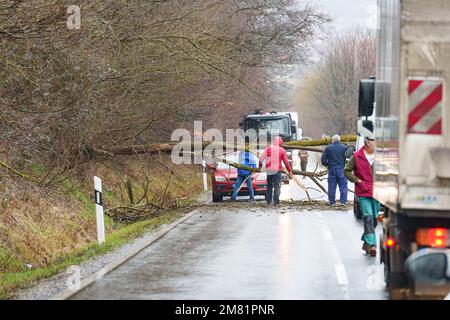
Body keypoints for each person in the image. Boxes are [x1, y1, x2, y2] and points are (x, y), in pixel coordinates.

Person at [345, 134, 380, 257]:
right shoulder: (357, 156)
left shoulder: (379, 156)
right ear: (368, 143)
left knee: (375, 219)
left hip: (377, 192)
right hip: (363, 192)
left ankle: (366, 240)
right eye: (375, 142)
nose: (376, 144)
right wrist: (356, 180)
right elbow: (347, 170)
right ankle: (372, 245)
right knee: (368, 218)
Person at [259, 136, 293, 206]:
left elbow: (261, 158)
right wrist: (289, 171)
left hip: (269, 170)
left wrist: (259, 167)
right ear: (281, 142)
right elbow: (286, 162)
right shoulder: (282, 150)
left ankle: (268, 201)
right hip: (277, 170)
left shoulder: (268, 148)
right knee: (277, 185)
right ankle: (276, 202)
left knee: (269, 185)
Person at [321, 135, 348, 207]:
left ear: (332, 140)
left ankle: (332, 202)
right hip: (342, 168)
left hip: (332, 168)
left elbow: (323, 159)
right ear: (339, 140)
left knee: (332, 186)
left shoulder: (328, 148)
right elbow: (349, 157)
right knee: (343, 186)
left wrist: (327, 164)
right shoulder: (344, 148)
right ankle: (343, 202)